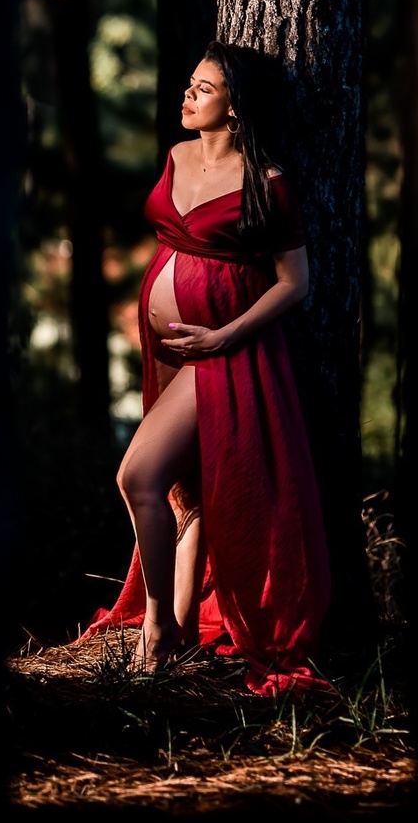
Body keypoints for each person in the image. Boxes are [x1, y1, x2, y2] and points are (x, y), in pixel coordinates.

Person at [73, 40, 331, 693]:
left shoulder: (268, 184)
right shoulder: (178, 155)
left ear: (235, 106)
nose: (187, 96)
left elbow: (294, 282)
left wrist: (226, 336)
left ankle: (158, 624)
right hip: (167, 349)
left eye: (204, 88)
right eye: (189, 84)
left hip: (225, 355)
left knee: (139, 476)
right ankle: (180, 623)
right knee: (186, 495)